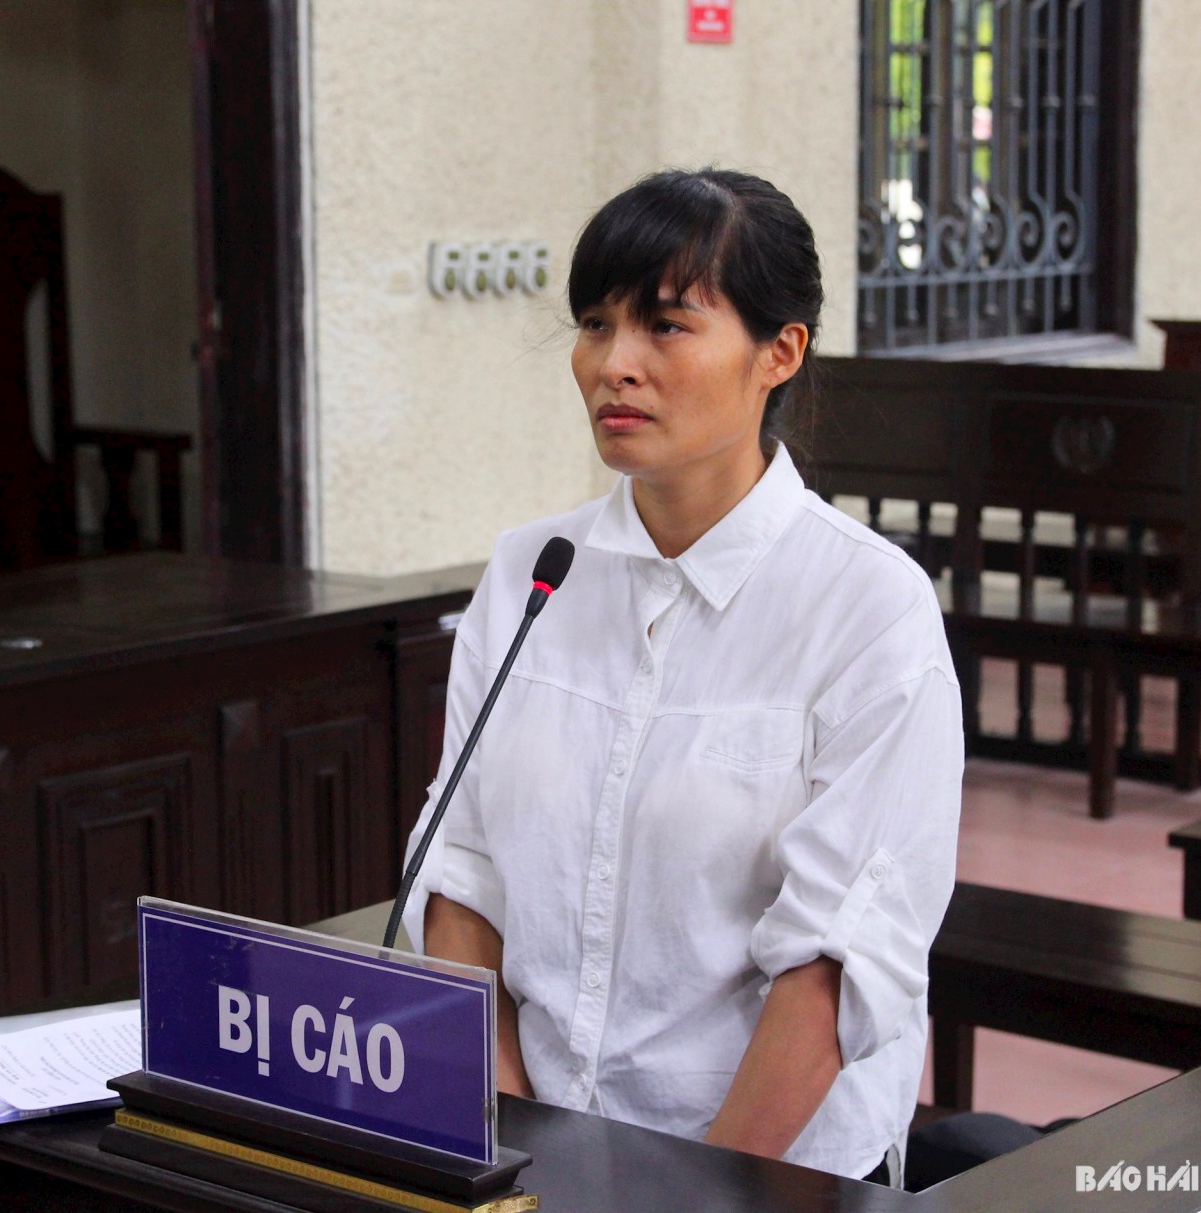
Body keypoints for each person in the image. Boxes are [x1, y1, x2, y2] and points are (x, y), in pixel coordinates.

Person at [400, 168, 962, 1187]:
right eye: (594, 324)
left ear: (777, 353)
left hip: (773, 1173)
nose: (614, 365)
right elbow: (464, 875)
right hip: (535, 1156)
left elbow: (836, 959)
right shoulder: (533, 573)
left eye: (665, 326)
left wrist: (695, 1194)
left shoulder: (865, 606)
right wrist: (508, 1141)